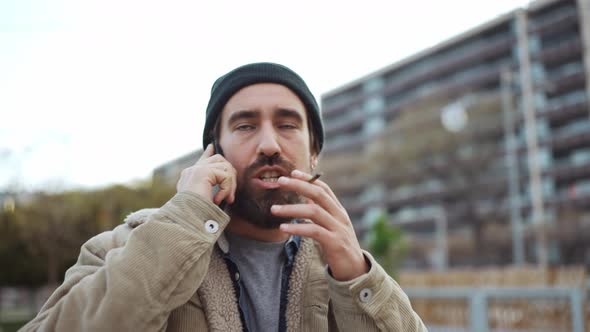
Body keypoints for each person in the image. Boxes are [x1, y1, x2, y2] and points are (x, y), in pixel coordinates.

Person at [21, 63, 427, 331]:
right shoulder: (125, 245)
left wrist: (357, 276)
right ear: (213, 152)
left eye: (287, 125)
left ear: (314, 151)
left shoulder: (346, 266)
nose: (269, 144)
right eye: (246, 126)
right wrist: (181, 224)